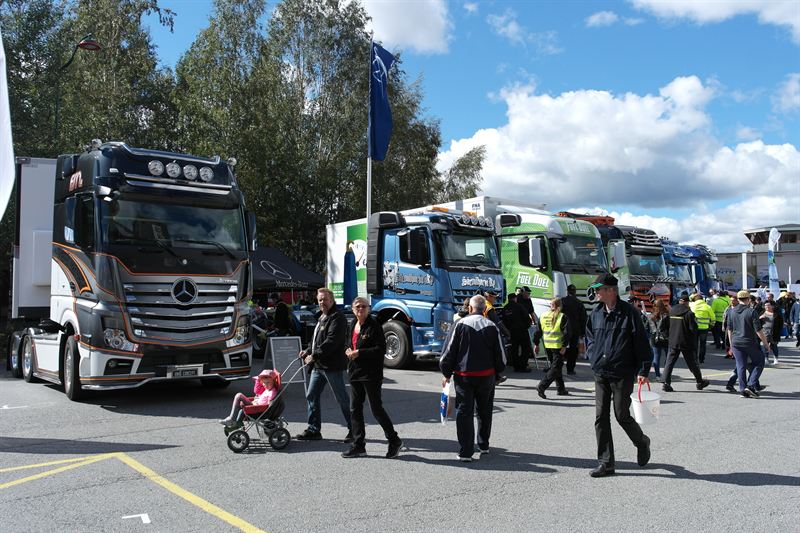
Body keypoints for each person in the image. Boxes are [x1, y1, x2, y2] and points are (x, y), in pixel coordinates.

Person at [585, 274, 652, 478]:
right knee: (600, 417)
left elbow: (642, 343)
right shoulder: (596, 313)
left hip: (622, 372)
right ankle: (606, 463)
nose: (596, 292)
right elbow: (589, 338)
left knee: (621, 415)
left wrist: (643, 370)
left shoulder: (630, 314)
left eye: (599, 289)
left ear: (611, 291)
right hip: (601, 371)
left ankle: (642, 442)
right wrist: (593, 356)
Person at [439, 295, 506, 462]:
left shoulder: (459, 325)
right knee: (485, 411)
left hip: (464, 377)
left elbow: (448, 352)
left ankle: (466, 452)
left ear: (470, 308)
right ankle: (483, 444)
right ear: (485, 309)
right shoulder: (491, 326)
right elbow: (501, 355)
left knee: (464, 413)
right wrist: (498, 372)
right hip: (487, 376)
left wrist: (446, 373)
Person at [342, 297, 403, 459]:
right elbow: (347, 343)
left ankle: (394, 440)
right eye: (357, 306)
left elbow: (380, 349)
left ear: (368, 309)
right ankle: (358, 445)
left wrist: (359, 353)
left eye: (364, 306)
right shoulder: (352, 324)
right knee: (355, 409)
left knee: (376, 409)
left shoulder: (374, 325)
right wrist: (347, 350)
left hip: (371, 374)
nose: (360, 309)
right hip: (354, 372)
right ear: (353, 309)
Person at [295, 288, 353, 441]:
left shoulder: (337, 317)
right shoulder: (322, 316)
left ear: (332, 300)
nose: (322, 302)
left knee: (342, 399)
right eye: (320, 300)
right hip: (318, 365)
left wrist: (313, 356)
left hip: (332, 366)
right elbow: (316, 340)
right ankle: (314, 430)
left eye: (325, 299)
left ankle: (355, 430)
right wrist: (307, 351)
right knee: (311, 395)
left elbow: (331, 341)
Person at [661, 292, 710, 392]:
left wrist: (668, 337)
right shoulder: (689, 314)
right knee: (692, 363)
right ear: (687, 303)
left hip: (673, 341)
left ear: (680, 301)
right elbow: (693, 329)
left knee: (669, 363)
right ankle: (700, 382)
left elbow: (663, 326)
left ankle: (666, 383)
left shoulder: (672, 311)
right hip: (686, 342)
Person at [727, 290, 771, 398]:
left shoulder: (731, 311)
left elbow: (729, 329)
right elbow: (758, 330)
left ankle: (742, 390)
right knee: (760, 361)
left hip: (736, 342)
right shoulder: (751, 311)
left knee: (741, 365)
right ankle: (751, 386)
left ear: (738, 299)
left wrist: (731, 344)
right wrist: (766, 344)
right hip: (749, 342)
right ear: (748, 299)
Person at [535, 297, 571, 398]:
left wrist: (536, 344)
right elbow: (567, 333)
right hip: (558, 347)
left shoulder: (543, 316)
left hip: (548, 346)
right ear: (560, 305)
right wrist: (564, 346)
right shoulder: (562, 316)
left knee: (556, 367)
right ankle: (542, 386)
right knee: (555, 368)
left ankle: (561, 389)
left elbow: (538, 332)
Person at [503, 293, 533, 372]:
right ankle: (523, 366)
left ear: (508, 299)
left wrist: (509, 329)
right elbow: (527, 318)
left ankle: (516, 367)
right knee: (526, 349)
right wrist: (526, 326)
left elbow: (504, 321)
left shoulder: (505, 308)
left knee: (514, 350)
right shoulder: (519, 306)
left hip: (512, 332)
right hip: (522, 331)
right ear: (515, 298)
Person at [562, 284, 587, 375]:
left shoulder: (562, 301)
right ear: (575, 292)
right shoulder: (579, 303)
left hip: (563, 329)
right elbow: (583, 318)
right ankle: (570, 369)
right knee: (573, 349)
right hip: (575, 329)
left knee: (561, 347)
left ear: (567, 291)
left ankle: (557, 367)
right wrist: (583, 332)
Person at [645, 299, 670, 381]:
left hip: (654, 338)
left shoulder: (650, 316)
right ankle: (666, 373)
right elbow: (670, 327)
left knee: (656, 357)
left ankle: (657, 375)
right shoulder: (666, 315)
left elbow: (646, 328)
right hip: (665, 338)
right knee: (668, 357)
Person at [688, 293, 715, 364]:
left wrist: (693, 296)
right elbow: (713, 318)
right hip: (704, 328)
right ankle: (701, 359)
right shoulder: (707, 307)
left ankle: (695, 359)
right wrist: (711, 325)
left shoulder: (691, 305)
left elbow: (689, 299)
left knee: (694, 344)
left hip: (694, 328)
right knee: (703, 344)